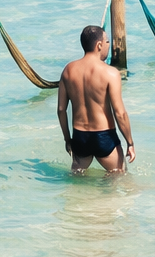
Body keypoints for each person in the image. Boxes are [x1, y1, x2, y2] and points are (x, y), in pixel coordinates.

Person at [57, 25, 136, 173]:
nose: (108, 45)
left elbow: (61, 110)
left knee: (77, 183)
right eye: (107, 42)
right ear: (99, 45)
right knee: (119, 178)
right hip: (104, 136)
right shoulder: (110, 73)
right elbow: (120, 113)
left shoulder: (68, 70)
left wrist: (68, 140)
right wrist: (130, 143)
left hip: (80, 137)